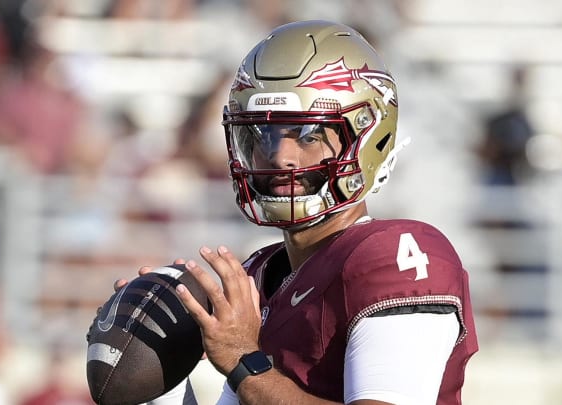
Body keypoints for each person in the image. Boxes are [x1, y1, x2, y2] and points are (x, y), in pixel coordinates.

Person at [117, 20, 478, 404]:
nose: (280, 156)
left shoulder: (399, 255)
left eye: (309, 134)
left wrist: (244, 362)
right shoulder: (259, 274)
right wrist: (160, 376)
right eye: (262, 135)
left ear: (368, 137)